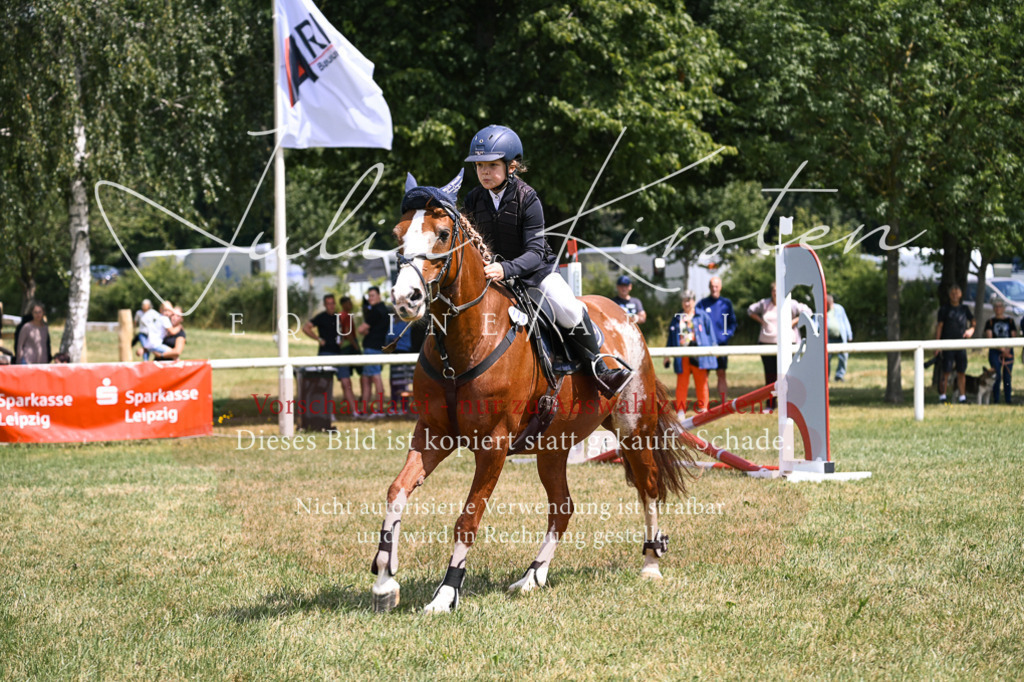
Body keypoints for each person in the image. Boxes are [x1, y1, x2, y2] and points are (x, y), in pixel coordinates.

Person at [462, 124, 630, 397]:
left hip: (534, 272)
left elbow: (535, 252)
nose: (484, 172)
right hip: (491, 274)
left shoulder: (528, 199)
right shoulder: (473, 198)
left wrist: (505, 268)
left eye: (492, 165)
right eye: (480, 166)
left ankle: (599, 367)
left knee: (569, 309)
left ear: (511, 166)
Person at [747, 282, 809, 410]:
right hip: (766, 343)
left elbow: (808, 311)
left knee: (787, 375)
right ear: (771, 292)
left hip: (787, 343)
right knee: (770, 375)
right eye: (774, 290)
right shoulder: (764, 304)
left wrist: (794, 321)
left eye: (778, 290)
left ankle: (789, 404)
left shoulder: (791, 303)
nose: (776, 293)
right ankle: (770, 404)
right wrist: (762, 321)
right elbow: (750, 310)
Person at [302, 294, 363, 418]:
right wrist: (318, 339)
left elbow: (345, 332)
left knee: (346, 382)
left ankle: (355, 411)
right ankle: (328, 412)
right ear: (325, 305)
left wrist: (342, 340)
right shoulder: (321, 317)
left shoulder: (339, 317)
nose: (331, 306)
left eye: (333, 303)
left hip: (339, 354)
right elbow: (306, 328)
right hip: (325, 353)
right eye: (328, 303)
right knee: (325, 384)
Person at [664, 290, 718, 415]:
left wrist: (714, 349)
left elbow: (711, 334)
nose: (686, 303)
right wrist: (667, 355)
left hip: (699, 352)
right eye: (684, 301)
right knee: (682, 383)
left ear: (693, 301)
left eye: (689, 300)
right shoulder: (677, 318)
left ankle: (703, 409)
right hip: (682, 353)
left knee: (702, 381)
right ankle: (681, 410)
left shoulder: (702, 315)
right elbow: (671, 337)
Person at [697, 276, 736, 400]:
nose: (714, 288)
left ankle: (724, 404)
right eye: (712, 286)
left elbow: (733, 323)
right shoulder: (702, 304)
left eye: (716, 286)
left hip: (721, 345)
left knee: (721, 373)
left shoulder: (726, 303)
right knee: (704, 375)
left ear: (720, 287)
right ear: (709, 287)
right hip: (706, 346)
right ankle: (704, 405)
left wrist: (727, 335)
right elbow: (695, 320)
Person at [934, 284, 975, 404]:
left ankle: (962, 397)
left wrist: (971, 330)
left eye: (957, 293)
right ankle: (943, 397)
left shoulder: (964, 309)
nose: (955, 295)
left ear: (961, 295)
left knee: (961, 371)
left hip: (961, 344)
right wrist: (937, 344)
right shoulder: (944, 309)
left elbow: (973, 322)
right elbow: (940, 326)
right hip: (947, 344)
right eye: (952, 293)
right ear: (949, 295)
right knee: (946, 371)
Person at [358, 287, 390, 416]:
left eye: (372, 295)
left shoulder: (375, 311)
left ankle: (380, 409)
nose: (370, 298)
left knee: (376, 378)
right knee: (365, 379)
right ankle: (364, 410)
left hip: (372, 349)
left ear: (379, 296)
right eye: (369, 296)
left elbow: (361, 329)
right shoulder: (385, 310)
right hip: (376, 347)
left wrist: (366, 330)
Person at [983, 299, 1018, 405]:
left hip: (1008, 351)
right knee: (996, 375)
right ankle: (996, 399)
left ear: (1004, 308)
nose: (998, 308)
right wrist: (1002, 349)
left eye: (1000, 306)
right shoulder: (990, 322)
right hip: (995, 351)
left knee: (1007, 376)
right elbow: (990, 338)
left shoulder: (1010, 321)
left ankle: (1008, 399)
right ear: (993, 308)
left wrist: (1007, 350)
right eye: (996, 306)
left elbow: (1013, 336)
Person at [826, 294, 854, 382]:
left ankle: (839, 375)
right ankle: (826, 377)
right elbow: (816, 322)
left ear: (831, 302)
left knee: (843, 357)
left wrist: (849, 334)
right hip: (828, 338)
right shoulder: (821, 308)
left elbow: (845, 321)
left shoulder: (839, 309)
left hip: (841, 337)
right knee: (826, 358)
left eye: (829, 304)